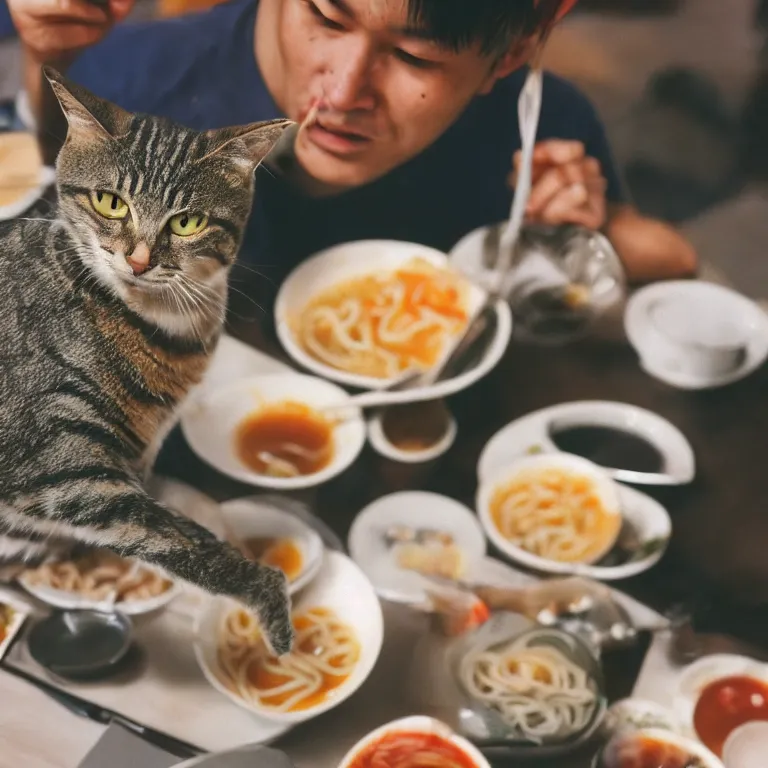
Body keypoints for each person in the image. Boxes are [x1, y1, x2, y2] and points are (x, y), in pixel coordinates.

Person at [8, 0, 696, 290]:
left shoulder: (529, 127)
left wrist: (590, 229)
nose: (342, 93)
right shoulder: (131, 84)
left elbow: (670, 261)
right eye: (326, 16)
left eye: (415, 61)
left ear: (507, 59)